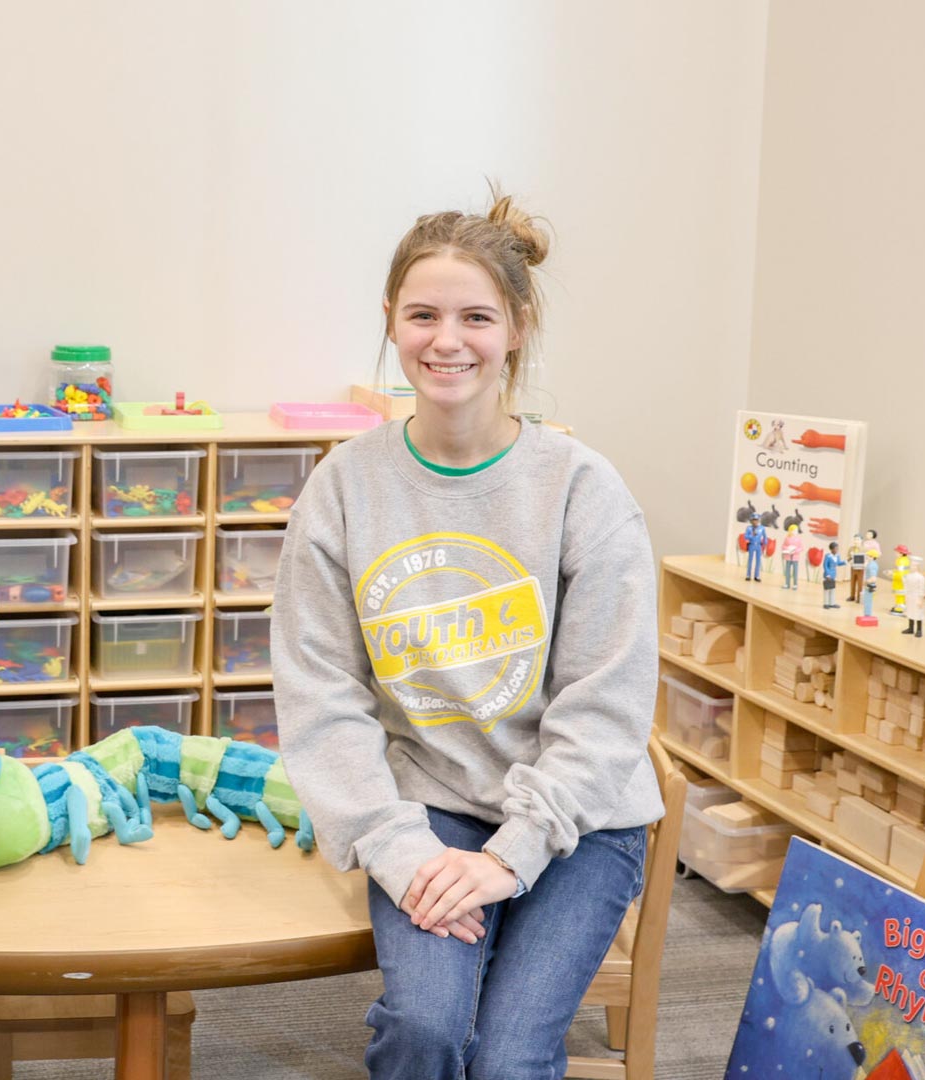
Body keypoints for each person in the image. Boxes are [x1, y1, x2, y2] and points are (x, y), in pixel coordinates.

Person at [272, 191, 662, 1079]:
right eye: (424, 315)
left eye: (476, 316)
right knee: (424, 1030)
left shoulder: (584, 491)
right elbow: (320, 697)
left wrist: (513, 855)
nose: (448, 341)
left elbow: (605, 710)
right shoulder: (341, 489)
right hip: (432, 803)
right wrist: (399, 849)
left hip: (580, 818)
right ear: (391, 323)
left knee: (510, 1058)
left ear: (517, 327)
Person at [822, 541, 844, 609]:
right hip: (828, 574)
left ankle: (832, 603)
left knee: (832, 589)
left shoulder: (837, 556)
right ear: (831, 549)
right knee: (827, 589)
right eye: (835, 548)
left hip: (833, 574)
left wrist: (845, 562)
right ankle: (826, 603)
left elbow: (838, 563)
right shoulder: (828, 556)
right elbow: (825, 565)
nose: (837, 550)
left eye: (837, 548)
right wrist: (827, 574)